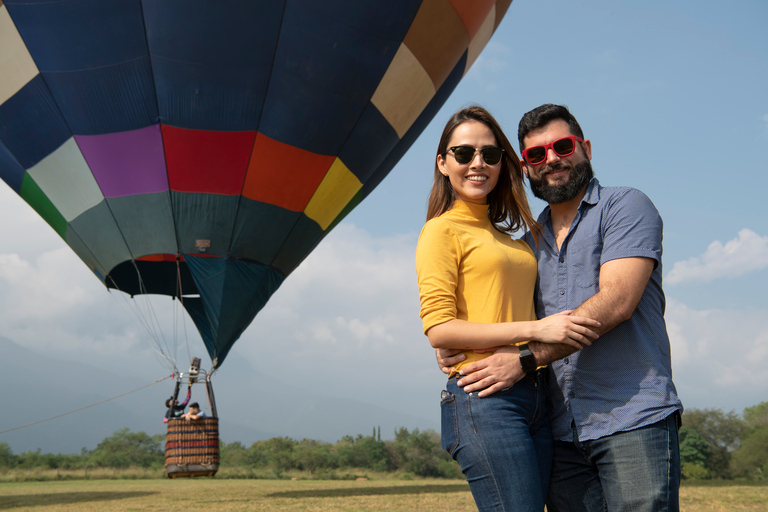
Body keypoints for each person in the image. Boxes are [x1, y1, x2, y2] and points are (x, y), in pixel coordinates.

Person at [438, 104, 683, 512]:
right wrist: (456, 342)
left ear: (585, 148)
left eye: (563, 146)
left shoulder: (625, 207)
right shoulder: (527, 245)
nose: (551, 159)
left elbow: (617, 302)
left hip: (632, 419)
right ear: (525, 166)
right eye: (537, 154)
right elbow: (509, 314)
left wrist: (524, 359)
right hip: (560, 433)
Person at [416, 105, 600, 512]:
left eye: (490, 154)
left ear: (504, 164)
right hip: (485, 399)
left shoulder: (517, 239)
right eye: (463, 154)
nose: (477, 163)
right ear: (443, 163)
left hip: (536, 397)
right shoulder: (441, 230)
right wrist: (536, 331)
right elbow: (440, 329)